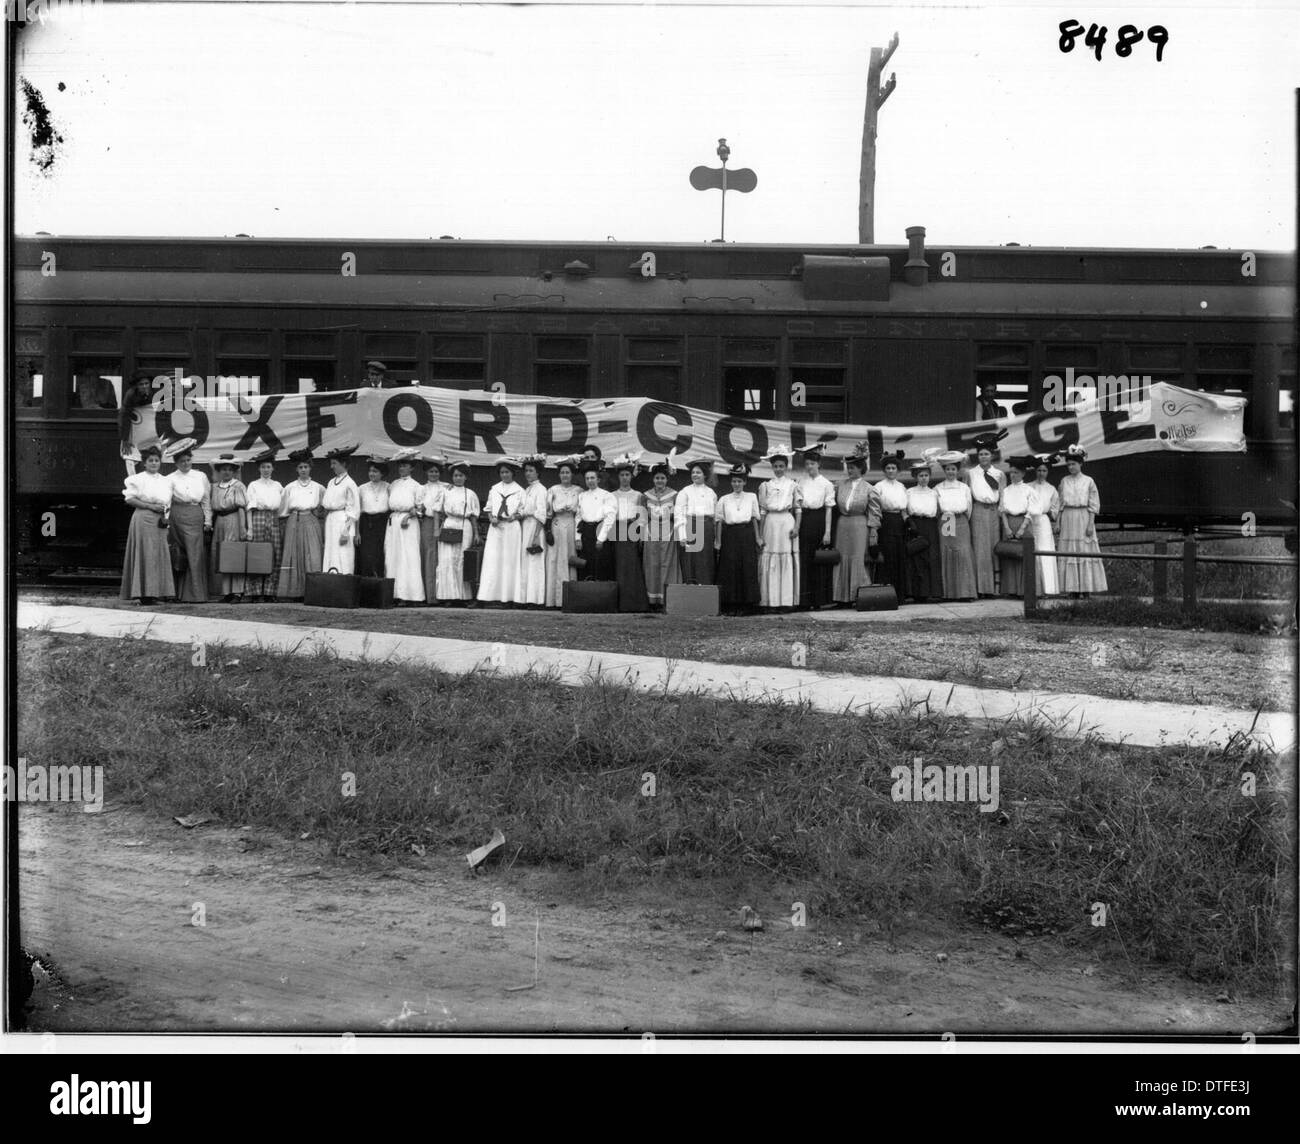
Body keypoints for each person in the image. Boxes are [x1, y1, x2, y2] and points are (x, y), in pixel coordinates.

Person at [119, 445, 174, 604]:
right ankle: (144, 594)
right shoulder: (137, 479)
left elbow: (167, 502)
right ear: (144, 463)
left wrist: (166, 517)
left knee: (158, 554)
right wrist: (150, 507)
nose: (154, 463)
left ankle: (156, 592)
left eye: (157, 460)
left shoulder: (165, 481)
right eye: (151, 460)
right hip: (144, 518)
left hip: (160, 520)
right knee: (146, 554)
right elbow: (130, 499)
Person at [1056, 446, 1108, 596]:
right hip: (1068, 517)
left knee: (1084, 550)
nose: (1071, 467)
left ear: (1080, 464)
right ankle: (1072, 589)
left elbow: (1093, 504)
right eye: (1069, 465)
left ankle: (1086, 588)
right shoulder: (1064, 481)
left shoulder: (1088, 481)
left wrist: (1090, 524)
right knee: (1070, 550)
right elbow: (1060, 504)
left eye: (1074, 464)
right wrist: (1058, 522)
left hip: (1083, 516)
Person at [277, 449, 325, 599]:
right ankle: (294, 592)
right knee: (294, 555)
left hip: (310, 520)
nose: (303, 470)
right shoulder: (289, 487)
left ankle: (313, 591)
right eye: (300, 467)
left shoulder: (319, 487)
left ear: (310, 468)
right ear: (297, 469)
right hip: (294, 521)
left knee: (312, 555)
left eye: (306, 467)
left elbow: (324, 507)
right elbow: (282, 509)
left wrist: (317, 514)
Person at [714, 463, 762, 614]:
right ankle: (730, 604)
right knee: (730, 568)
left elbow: (755, 518)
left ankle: (747, 604)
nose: (736, 484)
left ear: (745, 482)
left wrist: (758, 538)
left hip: (747, 534)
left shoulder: (752, 497)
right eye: (734, 481)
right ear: (731, 482)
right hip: (730, 535)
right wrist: (718, 541)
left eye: (739, 481)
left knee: (747, 567)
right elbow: (719, 521)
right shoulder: (724, 499)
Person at [166, 444, 211, 602]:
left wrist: (208, 520)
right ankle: (174, 593)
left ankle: (195, 594)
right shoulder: (170, 478)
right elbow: (167, 502)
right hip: (176, 515)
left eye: (188, 460)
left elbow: (206, 501)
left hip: (195, 515)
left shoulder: (201, 476)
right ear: (176, 463)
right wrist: (167, 522)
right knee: (177, 554)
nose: (185, 463)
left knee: (195, 554)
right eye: (182, 461)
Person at [757, 446, 800, 610]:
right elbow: (762, 511)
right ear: (772, 467)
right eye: (776, 466)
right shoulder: (765, 486)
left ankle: (786, 601)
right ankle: (770, 601)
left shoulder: (793, 485)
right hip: (771, 523)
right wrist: (760, 534)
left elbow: (798, 509)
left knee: (785, 558)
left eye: (781, 466)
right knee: (770, 557)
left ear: (786, 466)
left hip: (786, 521)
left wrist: (796, 527)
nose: (778, 469)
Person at [478, 459, 526, 605]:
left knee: (509, 561)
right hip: (496, 528)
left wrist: (515, 516)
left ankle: (508, 597)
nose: (504, 475)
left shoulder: (519, 490)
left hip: (511, 528)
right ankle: (490, 596)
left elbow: (523, 511)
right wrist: (491, 517)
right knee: (493, 559)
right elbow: (488, 508)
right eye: (502, 472)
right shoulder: (494, 489)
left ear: (513, 473)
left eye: (507, 472)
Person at [833, 451, 877, 606]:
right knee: (842, 558)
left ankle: (858, 596)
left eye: (852, 468)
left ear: (861, 468)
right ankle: (841, 597)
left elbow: (874, 513)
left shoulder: (869, 488)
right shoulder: (840, 485)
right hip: (843, 525)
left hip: (859, 525)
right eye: (848, 467)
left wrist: (873, 532)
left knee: (857, 558)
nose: (849, 470)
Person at [796, 446, 836, 610]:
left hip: (819, 520)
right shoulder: (800, 482)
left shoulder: (826, 483)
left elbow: (828, 509)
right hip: (805, 520)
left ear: (818, 464)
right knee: (805, 559)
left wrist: (827, 532)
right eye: (807, 464)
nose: (809, 467)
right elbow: (798, 505)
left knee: (818, 559)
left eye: (812, 463)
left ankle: (819, 600)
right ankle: (805, 601)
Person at [607, 458, 650, 612]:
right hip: (616, 529)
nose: (625, 478)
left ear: (631, 476)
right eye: (622, 475)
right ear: (618, 477)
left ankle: (634, 603)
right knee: (617, 564)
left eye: (627, 475)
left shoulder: (638, 495)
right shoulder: (612, 495)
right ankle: (618, 602)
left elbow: (643, 517)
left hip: (632, 529)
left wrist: (640, 533)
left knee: (631, 565)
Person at [435, 462, 481, 604]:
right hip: (449, 525)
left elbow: (473, 515)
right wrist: (436, 529)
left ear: (466, 477)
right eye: (455, 475)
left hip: (464, 526)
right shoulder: (445, 491)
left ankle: (463, 596)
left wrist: (476, 533)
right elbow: (437, 510)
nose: (458, 478)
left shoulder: (471, 494)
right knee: (447, 559)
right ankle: (447, 596)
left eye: (461, 475)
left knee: (461, 560)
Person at [966, 435, 1005, 597]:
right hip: (978, 510)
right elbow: (967, 496)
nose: (984, 457)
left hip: (994, 511)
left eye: (986, 454)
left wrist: (1002, 515)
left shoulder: (999, 474)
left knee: (993, 547)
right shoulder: (971, 473)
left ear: (992, 455)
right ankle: (981, 588)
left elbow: (1003, 496)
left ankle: (994, 588)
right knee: (980, 548)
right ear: (977, 456)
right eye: (981, 454)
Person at [385, 453, 427, 604]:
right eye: (400, 465)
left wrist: (409, 516)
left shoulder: (417, 486)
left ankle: (410, 595)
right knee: (393, 555)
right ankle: (394, 593)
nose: (402, 468)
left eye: (405, 465)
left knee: (408, 556)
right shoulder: (393, 484)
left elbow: (421, 510)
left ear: (412, 468)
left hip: (408, 523)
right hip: (394, 522)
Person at [935, 453, 977, 601]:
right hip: (946, 520)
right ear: (944, 471)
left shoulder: (964, 487)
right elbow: (937, 509)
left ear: (957, 470)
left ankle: (965, 592)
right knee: (948, 553)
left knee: (963, 553)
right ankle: (949, 593)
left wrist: (961, 520)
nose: (951, 472)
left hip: (961, 521)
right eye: (948, 469)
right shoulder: (938, 488)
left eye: (953, 469)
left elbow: (969, 508)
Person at [208, 454, 250, 603]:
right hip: (220, 521)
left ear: (234, 471)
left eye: (229, 470)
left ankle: (237, 592)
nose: (226, 472)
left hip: (234, 519)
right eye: (223, 469)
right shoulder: (215, 487)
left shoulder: (238, 486)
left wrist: (243, 528)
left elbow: (241, 508)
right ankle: (226, 592)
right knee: (221, 555)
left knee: (234, 554)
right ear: (219, 471)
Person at [997, 457, 1039, 599]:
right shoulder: (1006, 490)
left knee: (1023, 555)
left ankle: (1023, 590)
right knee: (1010, 554)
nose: (1012, 475)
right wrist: (1007, 528)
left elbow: (1032, 511)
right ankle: (1011, 589)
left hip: (1023, 523)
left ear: (1022, 474)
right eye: (1011, 473)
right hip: (1009, 523)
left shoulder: (1029, 490)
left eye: (1016, 472)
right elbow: (1002, 511)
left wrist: (1022, 528)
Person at [245, 452, 284, 601]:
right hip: (258, 518)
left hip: (273, 519)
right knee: (257, 554)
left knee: (274, 554)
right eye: (263, 467)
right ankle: (255, 592)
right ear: (259, 469)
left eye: (268, 467)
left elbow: (281, 507)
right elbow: (249, 508)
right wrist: (250, 529)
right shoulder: (253, 485)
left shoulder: (278, 485)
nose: (266, 470)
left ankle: (270, 591)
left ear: (273, 468)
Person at [641, 461, 681, 611]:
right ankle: (652, 601)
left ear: (667, 479)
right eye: (657, 478)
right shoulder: (645, 496)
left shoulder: (674, 495)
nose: (660, 481)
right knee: (652, 564)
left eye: (662, 478)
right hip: (651, 532)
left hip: (668, 532)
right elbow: (642, 517)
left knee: (667, 564)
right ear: (653, 479)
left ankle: (666, 599)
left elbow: (678, 516)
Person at [544, 456, 581, 608]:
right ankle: (554, 599)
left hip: (572, 524)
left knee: (570, 557)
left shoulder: (578, 490)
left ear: (572, 474)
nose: (565, 475)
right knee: (555, 558)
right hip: (557, 524)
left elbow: (580, 512)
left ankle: (569, 598)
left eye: (567, 472)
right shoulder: (553, 490)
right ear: (559, 475)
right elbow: (547, 512)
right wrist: (548, 531)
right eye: (562, 472)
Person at [872, 451, 910, 600]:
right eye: (888, 468)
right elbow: (875, 508)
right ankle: (887, 595)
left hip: (899, 522)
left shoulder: (901, 486)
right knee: (888, 557)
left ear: (898, 470)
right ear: (884, 470)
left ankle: (900, 595)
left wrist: (907, 521)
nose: (891, 471)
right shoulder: (879, 486)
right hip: (885, 521)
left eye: (893, 468)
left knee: (900, 557)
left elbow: (904, 509)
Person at [905, 458, 943, 604]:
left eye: (926, 475)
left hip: (930, 525)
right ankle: (916, 593)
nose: (923, 478)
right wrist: (910, 524)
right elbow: (905, 510)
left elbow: (938, 511)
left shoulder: (934, 493)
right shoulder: (909, 492)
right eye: (921, 475)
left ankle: (930, 592)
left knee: (930, 559)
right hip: (915, 525)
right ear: (915, 477)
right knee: (916, 560)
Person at [675, 460, 717, 585]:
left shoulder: (711, 493)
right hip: (691, 527)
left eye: (698, 472)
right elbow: (679, 513)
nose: (695, 475)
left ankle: (705, 591)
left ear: (705, 475)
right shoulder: (685, 491)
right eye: (693, 472)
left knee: (705, 561)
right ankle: (691, 591)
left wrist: (714, 536)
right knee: (690, 561)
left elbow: (715, 516)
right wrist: (682, 535)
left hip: (707, 528)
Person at [321, 447, 360, 576]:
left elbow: (353, 511)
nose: (332, 467)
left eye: (334, 464)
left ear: (343, 464)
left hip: (342, 522)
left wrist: (345, 532)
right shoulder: (331, 482)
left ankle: (343, 583)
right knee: (331, 552)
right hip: (331, 521)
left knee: (343, 553)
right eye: (331, 463)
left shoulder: (350, 483)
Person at [576, 462, 617, 581]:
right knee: (586, 564)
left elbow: (610, 518)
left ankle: (602, 594)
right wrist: (577, 537)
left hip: (600, 530)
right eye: (587, 478)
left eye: (592, 478)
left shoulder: (607, 496)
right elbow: (578, 517)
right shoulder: (582, 496)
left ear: (598, 479)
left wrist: (601, 538)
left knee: (601, 564)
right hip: (586, 532)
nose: (590, 481)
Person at [417, 456, 450, 603]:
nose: (434, 474)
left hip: (445, 522)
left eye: (436, 471)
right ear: (426, 472)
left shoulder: (446, 486)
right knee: (429, 556)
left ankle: (444, 594)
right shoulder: (422, 488)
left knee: (444, 556)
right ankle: (430, 595)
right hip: (428, 523)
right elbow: (419, 508)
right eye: (431, 471)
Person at [1027, 454, 1061, 596]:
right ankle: (1033, 589)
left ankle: (1048, 589)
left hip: (1044, 522)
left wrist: (1055, 520)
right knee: (1031, 550)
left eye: (1044, 471)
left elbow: (1055, 509)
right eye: (1039, 470)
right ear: (1035, 471)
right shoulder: (1028, 486)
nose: (1041, 473)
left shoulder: (1052, 489)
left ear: (1048, 472)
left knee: (1045, 551)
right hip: (1029, 521)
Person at [518, 457, 549, 607]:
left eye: (531, 471)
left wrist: (536, 536)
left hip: (536, 528)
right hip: (526, 525)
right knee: (526, 562)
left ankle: (536, 599)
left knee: (535, 562)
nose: (528, 473)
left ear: (538, 473)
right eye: (526, 471)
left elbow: (541, 514)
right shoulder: (528, 489)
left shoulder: (541, 490)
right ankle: (525, 598)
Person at [357, 458, 390, 579]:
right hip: (366, 525)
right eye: (370, 471)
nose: (372, 473)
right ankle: (367, 588)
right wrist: (357, 533)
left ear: (382, 473)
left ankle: (380, 588)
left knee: (381, 555)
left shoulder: (388, 487)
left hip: (383, 524)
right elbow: (357, 512)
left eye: (375, 471)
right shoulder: (361, 488)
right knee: (367, 557)